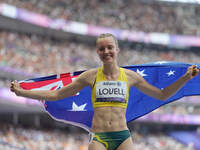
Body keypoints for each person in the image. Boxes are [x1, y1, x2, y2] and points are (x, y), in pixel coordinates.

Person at [10, 33, 199, 150]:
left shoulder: (131, 76)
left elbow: (162, 94)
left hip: (122, 137)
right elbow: (57, 95)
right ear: (97, 53)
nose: (106, 51)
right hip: (99, 137)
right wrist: (23, 93)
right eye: (102, 49)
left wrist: (185, 78)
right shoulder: (89, 76)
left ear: (116, 50)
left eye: (110, 47)